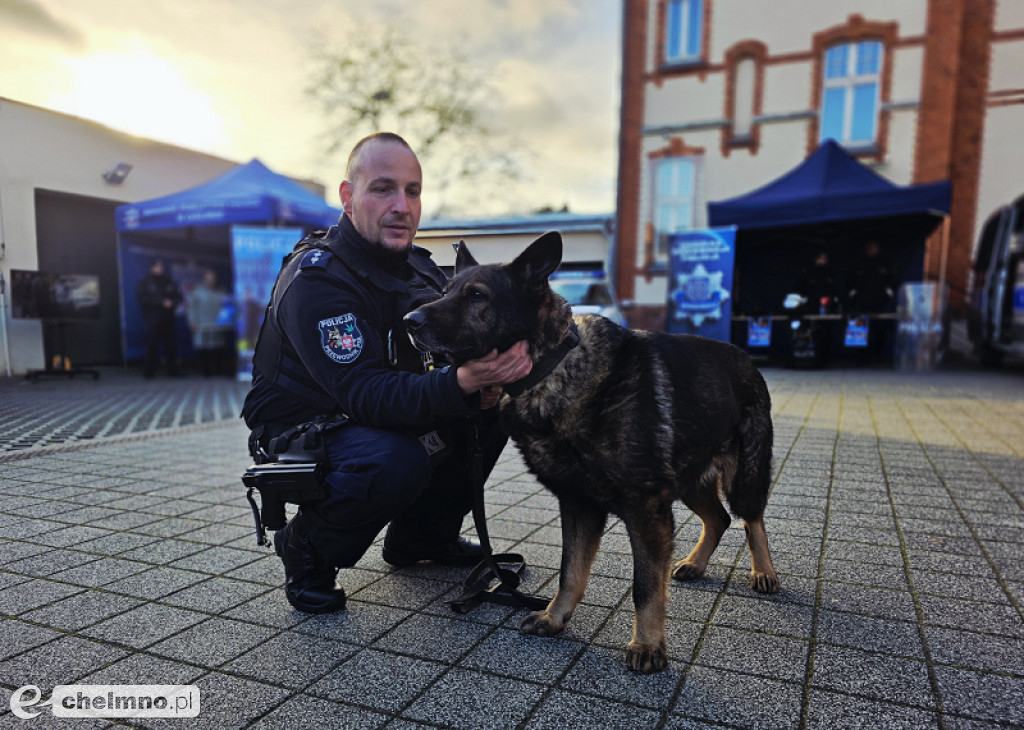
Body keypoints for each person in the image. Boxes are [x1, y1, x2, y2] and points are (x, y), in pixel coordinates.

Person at [242, 132, 532, 614]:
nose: (402, 206)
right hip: (303, 421)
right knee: (393, 459)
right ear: (347, 196)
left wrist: (484, 383)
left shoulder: (419, 269)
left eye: (412, 191)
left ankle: (423, 537)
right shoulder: (317, 278)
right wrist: (461, 383)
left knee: (492, 412)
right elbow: (363, 393)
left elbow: (442, 360)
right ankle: (306, 550)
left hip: (371, 411)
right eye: (383, 189)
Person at [137, 259, 183, 378]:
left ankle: (173, 371)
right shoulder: (145, 282)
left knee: (171, 346)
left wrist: (172, 302)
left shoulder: (169, 281)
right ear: (152, 268)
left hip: (168, 319)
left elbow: (179, 297)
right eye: (157, 267)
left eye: (161, 267)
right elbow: (142, 298)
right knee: (152, 346)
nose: (159, 269)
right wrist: (160, 302)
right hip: (153, 320)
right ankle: (149, 372)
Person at [186, 268, 230, 376]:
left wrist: (227, 321)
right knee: (203, 348)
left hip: (217, 324)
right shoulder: (197, 291)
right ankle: (206, 371)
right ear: (204, 279)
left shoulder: (221, 291)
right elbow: (191, 307)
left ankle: (218, 370)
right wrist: (192, 320)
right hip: (201, 324)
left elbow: (227, 307)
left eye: (212, 278)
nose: (211, 280)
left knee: (218, 347)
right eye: (208, 278)